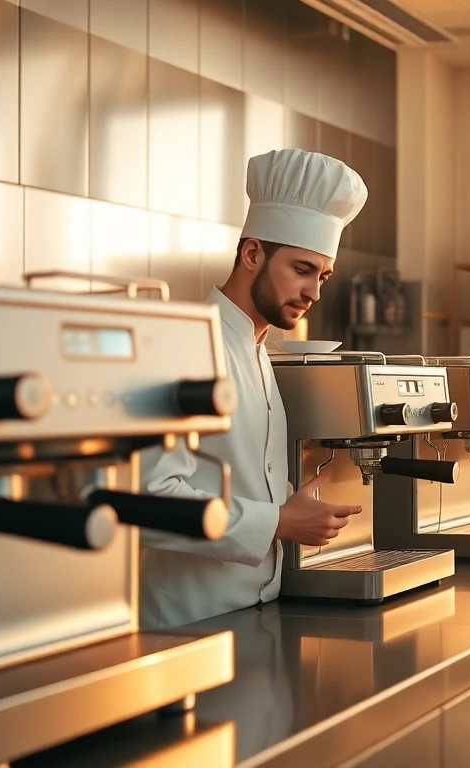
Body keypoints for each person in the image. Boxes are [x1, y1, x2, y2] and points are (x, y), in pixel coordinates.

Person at [137, 148, 368, 628]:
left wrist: (293, 505)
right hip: (187, 625)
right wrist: (280, 522)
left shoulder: (259, 350)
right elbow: (150, 498)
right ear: (252, 254)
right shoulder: (184, 343)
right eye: (301, 270)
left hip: (256, 614)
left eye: (322, 276)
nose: (315, 293)